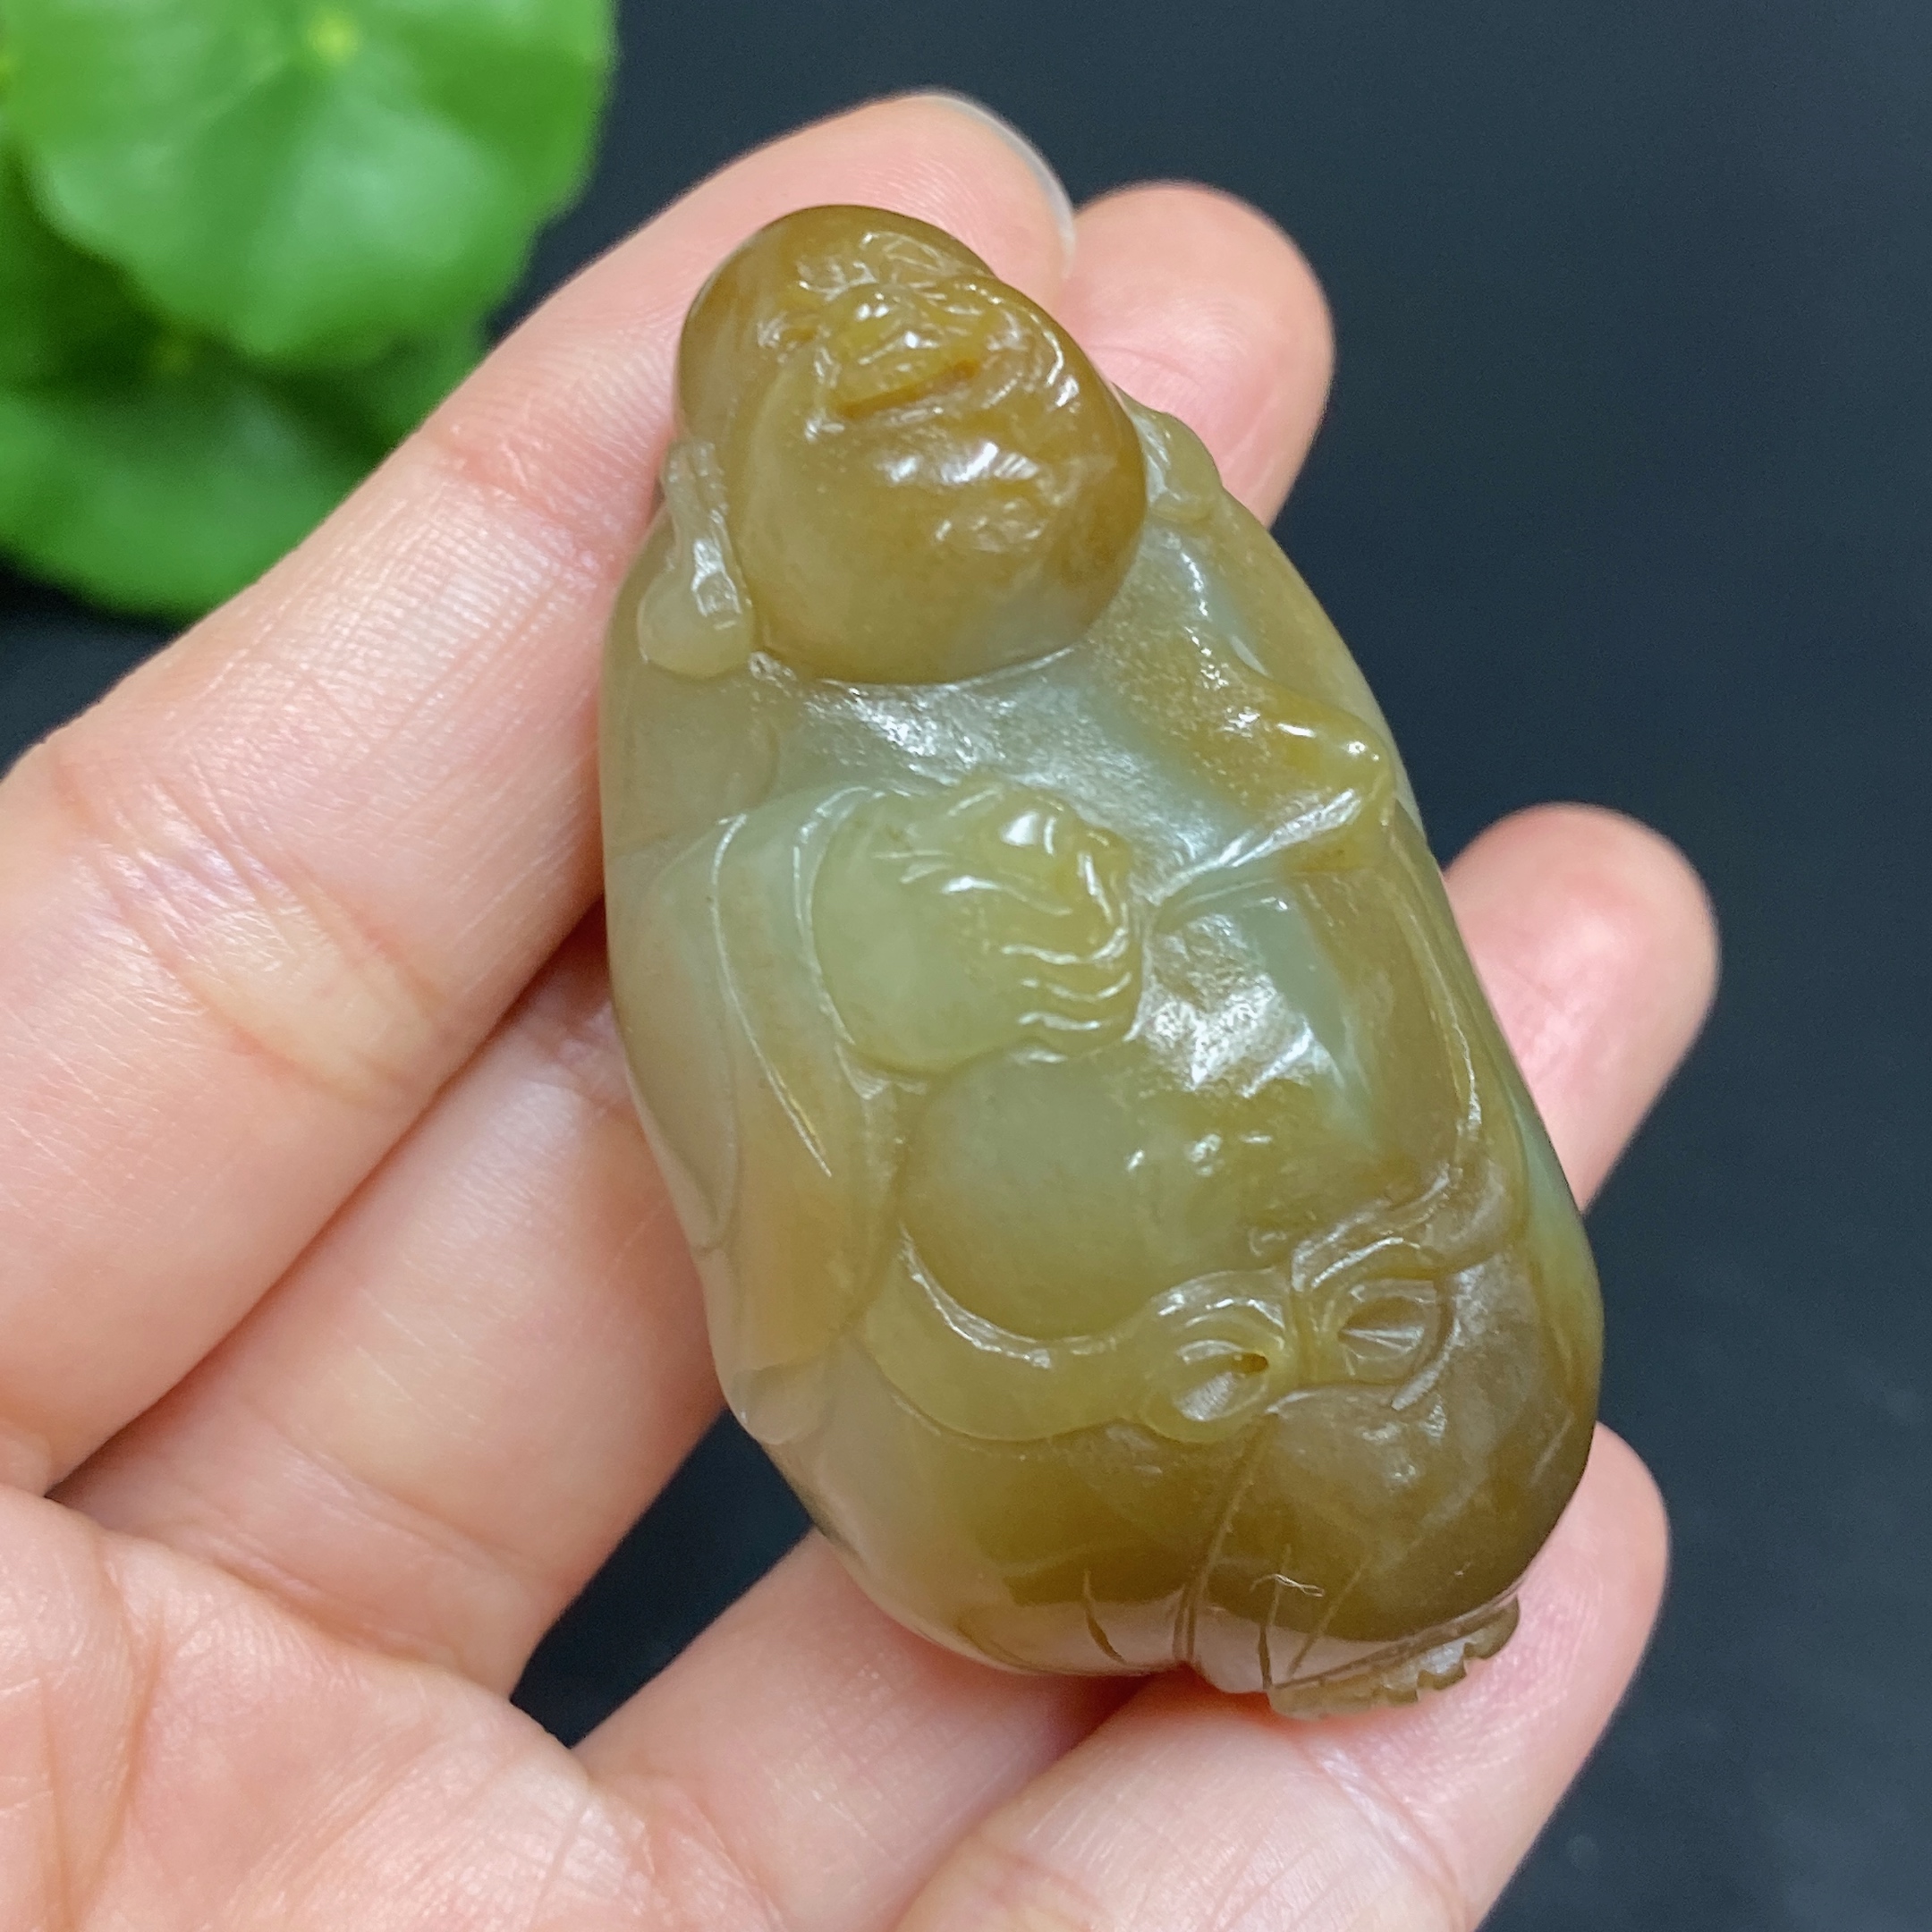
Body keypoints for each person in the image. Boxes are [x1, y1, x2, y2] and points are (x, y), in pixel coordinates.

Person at [0, 94, 1716, 1928]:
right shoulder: (744, 722)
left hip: (1403, 1274)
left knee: (1447, 1400)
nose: (911, 350)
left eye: (973, 340)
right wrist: (880, 930)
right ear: (732, 542)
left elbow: (1349, 825)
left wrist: (1251, 812)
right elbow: (715, 948)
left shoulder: (1181, 595)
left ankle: (1401, 1528)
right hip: (1060, 1380)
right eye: (832, 382)